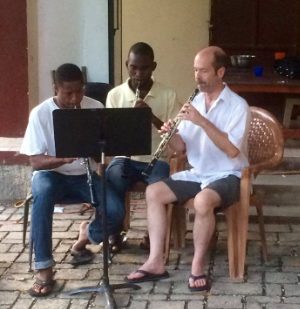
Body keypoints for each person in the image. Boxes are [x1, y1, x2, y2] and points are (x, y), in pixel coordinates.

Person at [125, 46, 251, 292]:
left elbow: (233, 150)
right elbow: (181, 148)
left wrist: (202, 121)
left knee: (203, 202)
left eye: (203, 71)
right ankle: (155, 262)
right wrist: (167, 132)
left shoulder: (238, 106)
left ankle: (197, 266)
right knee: (154, 192)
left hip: (229, 174)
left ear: (220, 72)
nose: (197, 77)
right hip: (198, 173)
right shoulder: (195, 101)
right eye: (195, 70)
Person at [20, 63, 123, 297]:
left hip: (85, 175)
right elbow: (35, 161)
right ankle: (45, 269)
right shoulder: (40, 113)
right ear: (55, 88)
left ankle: (86, 235)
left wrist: (95, 147)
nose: (75, 98)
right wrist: (63, 158)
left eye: (80, 91)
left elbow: (105, 154)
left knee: (116, 210)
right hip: (51, 175)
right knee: (42, 194)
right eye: (68, 93)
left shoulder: (95, 107)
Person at [105, 42, 181, 252]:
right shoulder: (115, 95)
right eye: (133, 67)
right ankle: (116, 231)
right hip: (125, 158)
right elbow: (111, 135)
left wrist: (152, 118)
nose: (138, 73)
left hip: (157, 159)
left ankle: (153, 235)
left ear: (153, 66)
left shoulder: (168, 95)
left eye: (144, 68)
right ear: (127, 65)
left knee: (159, 187)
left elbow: (176, 136)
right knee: (112, 178)